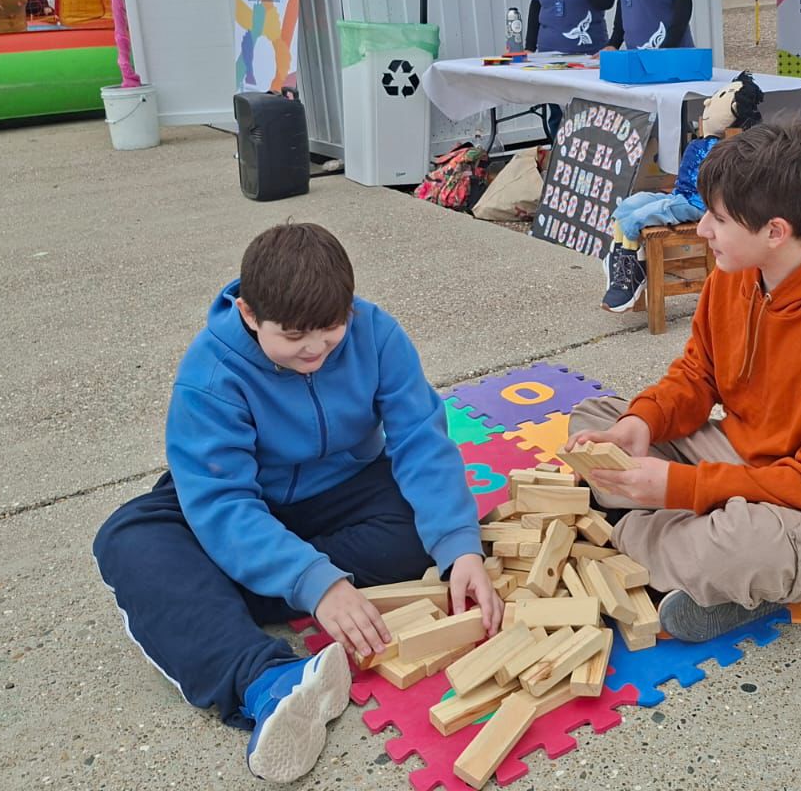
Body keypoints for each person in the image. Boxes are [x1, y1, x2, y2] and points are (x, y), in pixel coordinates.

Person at [93, 223, 499, 783]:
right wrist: (321, 584)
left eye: (331, 333)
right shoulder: (210, 375)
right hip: (245, 499)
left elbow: (420, 441)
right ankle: (266, 681)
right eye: (294, 337)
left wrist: (460, 549)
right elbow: (222, 501)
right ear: (249, 314)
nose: (314, 350)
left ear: (349, 309)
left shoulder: (376, 332)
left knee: (424, 527)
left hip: (343, 489)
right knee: (131, 539)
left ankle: (213, 599)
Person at [565, 121, 801, 643]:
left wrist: (681, 487)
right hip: (742, 454)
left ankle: (669, 545)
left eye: (718, 219)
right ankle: (675, 547)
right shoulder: (735, 271)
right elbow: (697, 375)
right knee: (597, 418)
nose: (703, 231)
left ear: (774, 231)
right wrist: (642, 422)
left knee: (740, 548)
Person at [602, 71, 763, 312]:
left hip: (696, 205)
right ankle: (619, 255)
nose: (708, 102)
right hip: (680, 196)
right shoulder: (702, 141)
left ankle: (631, 269)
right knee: (630, 204)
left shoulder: (724, 148)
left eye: (720, 100)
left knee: (637, 218)